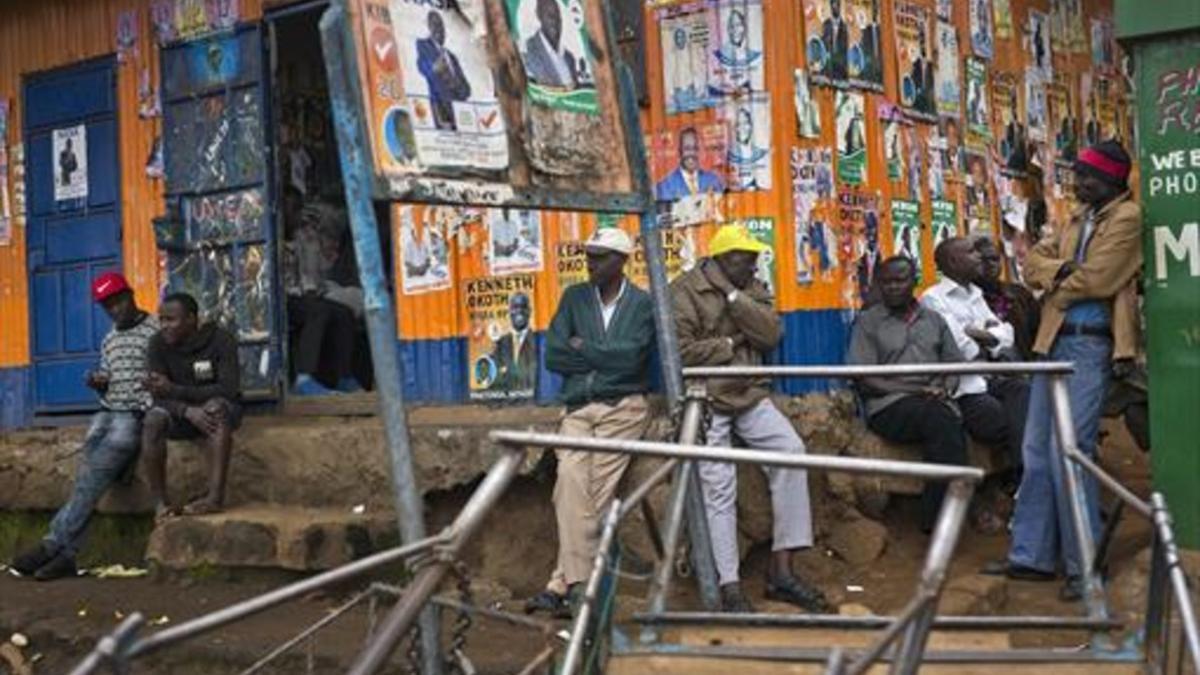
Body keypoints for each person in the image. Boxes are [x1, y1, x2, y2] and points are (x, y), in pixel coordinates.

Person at [986, 141, 1142, 602]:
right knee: (1035, 451)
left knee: (1071, 453)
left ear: (1113, 180)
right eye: (1078, 175)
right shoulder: (1078, 215)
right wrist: (1060, 271)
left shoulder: (1127, 219)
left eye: (1088, 177)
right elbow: (1030, 262)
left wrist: (1056, 275)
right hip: (1051, 338)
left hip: (1090, 344)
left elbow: (1099, 279)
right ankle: (1030, 556)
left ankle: (1085, 566)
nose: (1079, 184)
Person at [672, 224, 829, 613]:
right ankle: (729, 586)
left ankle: (782, 570)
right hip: (706, 396)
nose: (754, 266)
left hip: (748, 392)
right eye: (747, 260)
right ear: (726, 259)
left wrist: (733, 297)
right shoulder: (685, 290)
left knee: (791, 452)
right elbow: (682, 351)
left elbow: (771, 333)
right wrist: (732, 342)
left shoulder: (748, 285)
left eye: (755, 259)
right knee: (718, 485)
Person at [524, 228, 655, 617]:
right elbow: (556, 357)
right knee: (570, 481)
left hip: (623, 408)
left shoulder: (643, 304)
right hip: (579, 406)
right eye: (589, 256)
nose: (591, 263)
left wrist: (588, 350)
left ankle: (561, 584)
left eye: (600, 257)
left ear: (622, 261)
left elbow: (631, 360)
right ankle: (578, 586)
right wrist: (602, 356)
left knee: (592, 495)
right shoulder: (574, 297)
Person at [10, 273, 158, 581]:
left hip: (134, 415)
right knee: (89, 473)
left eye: (119, 301)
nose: (116, 309)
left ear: (131, 295)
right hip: (107, 411)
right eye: (108, 306)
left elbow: (162, 378)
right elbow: (108, 381)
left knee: (95, 471)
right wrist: (98, 382)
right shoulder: (110, 339)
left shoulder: (155, 330)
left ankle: (53, 544)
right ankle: (67, 554)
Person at [847, 256, 970, 531]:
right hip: (889, 405)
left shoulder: (934, 319)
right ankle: (938, 521)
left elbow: (954, 364)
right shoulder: (869, 322)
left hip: (934, 401)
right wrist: (914, 389)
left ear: (914, 282)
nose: (892, 287)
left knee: (960, 418)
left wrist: (945, 387)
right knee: (940, 421)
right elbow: (864, 379)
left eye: (899, 280)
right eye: (886, 282)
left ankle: (947, 513)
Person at [921, 238, 1030, 470]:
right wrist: (987, 335)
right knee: (1002, 419)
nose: (979, 257)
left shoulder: (975, 294)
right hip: (963, 386)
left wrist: (980, 335)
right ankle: (1019, 474)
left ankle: (1025, 475)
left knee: (1024, 392)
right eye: (971, 252)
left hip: (990, 376)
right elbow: (961, 347)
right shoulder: (933, 299)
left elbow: (1005, 338)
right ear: (952, 261)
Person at [142, 293, 242, 519]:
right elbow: (156, 396)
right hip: (180, 414)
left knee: (216, 407)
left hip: (220, 411)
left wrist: (176, 391)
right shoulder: (157, 344)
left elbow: (228, 389)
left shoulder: (221, 340)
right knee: (152, 421)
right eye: (162, 320)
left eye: (171, 320)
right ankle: (160, 504)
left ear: (191, 319)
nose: (164, 326)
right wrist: (186, 411)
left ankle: (214, 499)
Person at [287, 202, 365, 395]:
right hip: (284, 301)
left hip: (305, 295)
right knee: (318, 311)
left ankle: (344, 377)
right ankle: (304, 378)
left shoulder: (302, 239)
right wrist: (304, 291)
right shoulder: (272, 242)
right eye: (291, 209)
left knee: (343, 313)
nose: (296, 216)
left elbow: (314, 272)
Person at [974, 236, 1040, 361]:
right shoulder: (967, 297)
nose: (990, 265)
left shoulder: (1020, 294)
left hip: (1023, 369)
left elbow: (1037, 333)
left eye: (995, 259)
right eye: (982, 260)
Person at [416, 11, 472, 131]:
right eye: (435, 25)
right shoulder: (423, 45)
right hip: (440, 107)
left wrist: (457, 84)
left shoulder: (451, 57)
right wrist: (435, 68)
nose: (440, 30)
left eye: (442, 27)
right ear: (429, 28)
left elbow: (466, 90)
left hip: (460, 112)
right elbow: (422, 66)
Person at [522, 0, 585, 89]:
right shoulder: (530, 50)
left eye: (557, 17)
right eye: (549, 16)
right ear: (539, 15)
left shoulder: (569, 58)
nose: (554, 21)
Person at [655, 127, 725, 201]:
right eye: (687, 148)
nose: (692, 153)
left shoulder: (713, 180)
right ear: (679, 152)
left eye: (695, 148)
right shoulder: (665, 186)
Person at [490, 292, 538, 393]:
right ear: (510, 312)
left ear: (529, 311)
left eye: (523, 307)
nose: (519, 311)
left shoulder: (537, 341)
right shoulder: (500, 343)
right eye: (515, 307)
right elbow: (493, 378)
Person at [821, 0, 849, 81]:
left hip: (841, 71)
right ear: (830, 7)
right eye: (833, 5)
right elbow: (823, 45)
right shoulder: (826, 25)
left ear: (840, 7)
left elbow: (845, 50)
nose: (835, 8)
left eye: (837, 5)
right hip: (828, 70)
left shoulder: (844, 27)